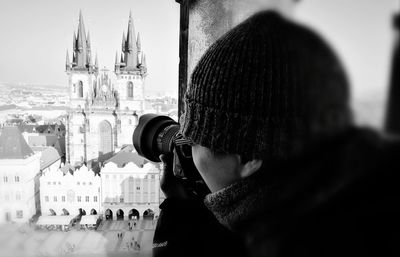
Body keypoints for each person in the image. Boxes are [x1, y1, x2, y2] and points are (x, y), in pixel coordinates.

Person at [153, 10, 400, 257]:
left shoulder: (288, 242)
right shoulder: (356, 191)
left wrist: (177, 211)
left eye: (194, 140)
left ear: (248, 157)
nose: (186, 150)